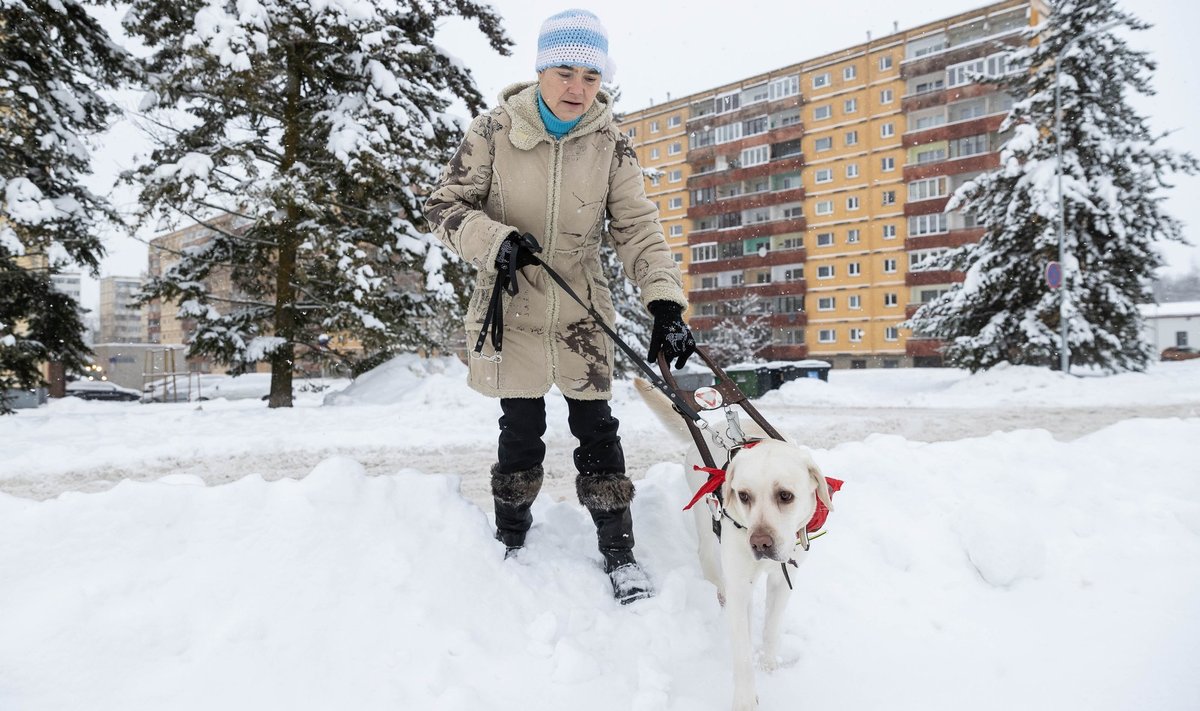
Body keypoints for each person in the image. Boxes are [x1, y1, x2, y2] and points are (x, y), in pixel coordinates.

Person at [423, 8, 695, 604]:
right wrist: (495, 241)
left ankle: (620, 554)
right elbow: (443, 206)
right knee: (520, 431)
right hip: (511, 303)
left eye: (591, 77)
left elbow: (637, 228)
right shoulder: (493, 132)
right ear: (541, 70)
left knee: (597, 430)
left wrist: (666, 304)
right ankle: (510, 541)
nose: (577, 88)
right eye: (565, 72)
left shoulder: (611, 146)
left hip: (581, 311)